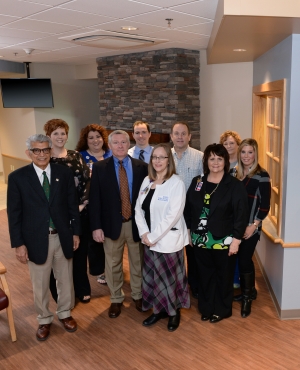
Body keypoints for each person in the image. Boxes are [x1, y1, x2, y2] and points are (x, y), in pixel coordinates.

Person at [7, 134, 81, 341]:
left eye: (45, 150)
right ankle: (44, 318)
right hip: (35, 240)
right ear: (28, 153)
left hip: (63, 236)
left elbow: (71, 205)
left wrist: (75, 232)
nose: (42, 154)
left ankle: (65, 313)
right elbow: (14, 214)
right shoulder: (18, 178)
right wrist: (19, 244)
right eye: (37, 150)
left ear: (50, 151)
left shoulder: (63, 173)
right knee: (39, 283)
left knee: (65, 279)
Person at [184, 144, 248, 323]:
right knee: (204, 275)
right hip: (199, 239)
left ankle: (222, 309)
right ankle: (206, 308)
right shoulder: (198, 181)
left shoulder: (234, 185)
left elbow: (241, 215)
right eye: (212, 158)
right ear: (206, 161)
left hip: (224, 240)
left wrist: (236, 240)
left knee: (223, 276)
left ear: (225, 161)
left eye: (220, 159)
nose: (215, 162)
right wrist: (189, 231)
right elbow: (188, 208)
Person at [89, 129, 148, 318]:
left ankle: (138, 295)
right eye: (116, 143)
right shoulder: (99, 168)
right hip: (110, 225)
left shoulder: (142, 167)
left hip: (136, 224)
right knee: (113, 264)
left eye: (124, 142)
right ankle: (115, 298)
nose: (120, 146)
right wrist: (96, 226)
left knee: (137, 262)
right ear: (110, 145)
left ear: (128, 144)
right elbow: (95, 199)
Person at [135, 143, 190, 332]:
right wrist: (144, 233)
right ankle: (158, 310)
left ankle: (174, 312)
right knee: (154, 278)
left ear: (169, 160)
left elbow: (173, 215)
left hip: (168, 241)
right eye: (155, 157)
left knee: (170, 279)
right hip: (149, 240)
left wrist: (153, 236)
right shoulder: (146, 181)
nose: (158, 161)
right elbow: (138, 210)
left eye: (162, 157)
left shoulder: (177, 183)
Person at [44, 119, 91, 304]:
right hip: (58, 217)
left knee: (80, 254)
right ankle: (61, 294)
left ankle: (82, 289)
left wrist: (82, 204)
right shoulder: (45, 159)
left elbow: (87, 180)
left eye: (63, 133)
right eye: (55, 133)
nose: (60, 136)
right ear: (49, 136)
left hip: (80, 212)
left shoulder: (76, 155)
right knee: (60, 256)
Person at [233, 138, 271, 317]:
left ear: (255, 153)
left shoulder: (262, 175)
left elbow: (265, 206)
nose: (246, 156)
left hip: (250, 227)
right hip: (235, 226)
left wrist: (253, 226)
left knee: (245, 260)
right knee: (238, 259)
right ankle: (250, 291)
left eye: (250, 152)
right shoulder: (235, 173)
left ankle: (248, 297)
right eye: (243, 152)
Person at [170, 121, 203, 299]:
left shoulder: (200, 157)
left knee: (193, 250)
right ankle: (175, 286)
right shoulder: (165, 157)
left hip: (193, 213)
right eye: (177, 133)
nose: (180, 137)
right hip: (172, 213)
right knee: (173, 251)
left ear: (189, 136)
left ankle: (194, 285)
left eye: (184, 133)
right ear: (171, 136)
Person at [76, 124, 112, 285]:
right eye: (90, 138)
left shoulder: (111, 154)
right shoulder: (80, 157)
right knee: (95, 238)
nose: (95, 140)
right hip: (89, 204)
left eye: (98, 137)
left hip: (110, 204)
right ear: (86, 140)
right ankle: (100, 270)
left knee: (111, 237)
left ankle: (112, 267)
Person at [220, 130, 242, 288]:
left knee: (238, 247)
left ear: (238, 145)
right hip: (224, 213)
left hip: (240, 212)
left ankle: (236, 279)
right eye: (225, 143)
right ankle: (227, 278)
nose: (228, 146)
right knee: (226, 247)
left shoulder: (243, 164)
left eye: (231, 143)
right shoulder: (220, 164)